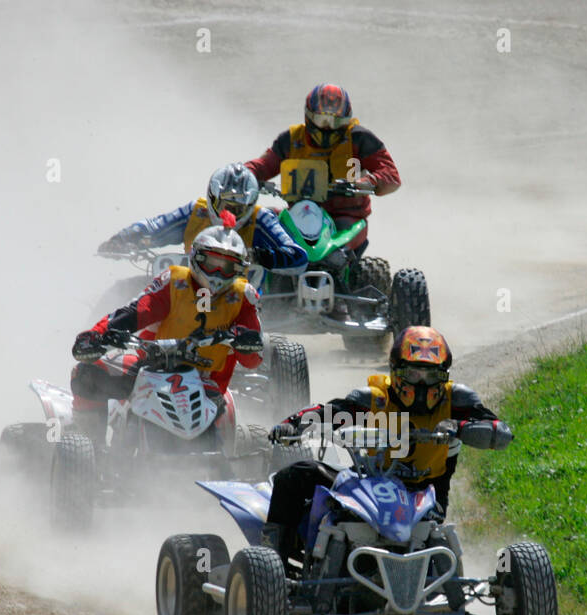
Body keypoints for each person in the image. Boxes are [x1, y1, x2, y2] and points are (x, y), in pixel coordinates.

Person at [263, 327, 512, 563]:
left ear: (444, 375)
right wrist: (293, 424)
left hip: (426, 495)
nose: (423, 385)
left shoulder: (457, 400)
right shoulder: (375, 399)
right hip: (369, 486)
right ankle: (274, 563)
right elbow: (331, 412)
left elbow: (500, 432)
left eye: (431, 375)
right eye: (414, 374)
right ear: (397, 371)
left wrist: (459, 428)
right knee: (293, 477)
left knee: (438, 541)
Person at [71, 223, 264, 450]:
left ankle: (219, 467)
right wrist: (97, 334)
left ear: (239, 269)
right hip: (150, 366)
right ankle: (89, 451)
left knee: (221, 428)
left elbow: (253, 360)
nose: (218, 273)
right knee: (87, 373)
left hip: (206, 381)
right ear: (196, 257)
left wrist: (245, 340)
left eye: (227, 267)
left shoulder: (244, 296)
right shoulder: (174, 281)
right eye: (212, 263)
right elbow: (136, 312)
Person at [243, 84, 400, 255]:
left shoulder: (360, 139)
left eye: (335, 121)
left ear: (346, 119)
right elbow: (264, 165)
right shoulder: (291, 139)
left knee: (339, 255)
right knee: (261, 224)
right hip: (300, 214)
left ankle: (353, 277)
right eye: (322, 120)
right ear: (309, 116)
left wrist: (366, 182)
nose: (328, 127)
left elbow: (391, 175)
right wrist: (243, 173)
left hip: (344, 218)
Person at [96, 163, 307, 275]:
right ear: (213, 199)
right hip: (188, 288)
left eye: (239, 207)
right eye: (227, 205)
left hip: (240, 297)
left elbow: (298, 257)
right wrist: (122, 239)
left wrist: (261, 257)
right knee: (126, 291)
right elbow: (154, 227)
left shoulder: (261, 219)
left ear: (250, 204)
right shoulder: (196, 211)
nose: (231, 213)